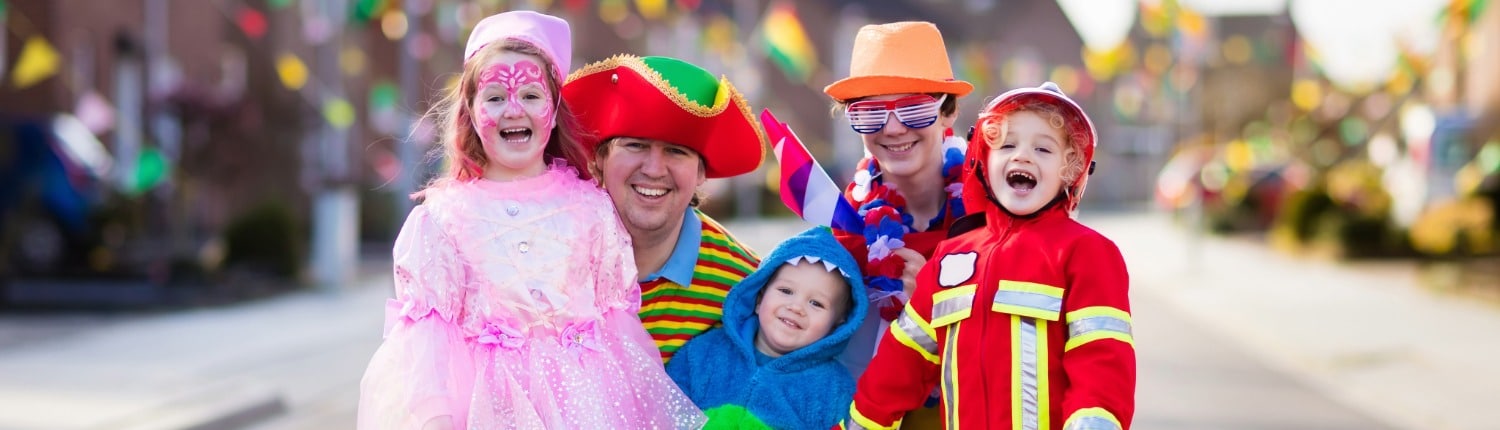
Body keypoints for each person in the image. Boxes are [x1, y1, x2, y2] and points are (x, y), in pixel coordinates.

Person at [357, 12, 703, 429]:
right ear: (470, 111)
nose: (513, 109)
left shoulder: (591, 210)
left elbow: (618, 329)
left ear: (555, 110)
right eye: (496, 97)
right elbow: (426, 350)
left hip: (587, 410)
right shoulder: (442, 220)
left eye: (531, 96)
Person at [840, 82, 1136, 430]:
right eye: (1007, 145)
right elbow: (899, 363)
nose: (1022, 156)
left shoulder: (1086, 252)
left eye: (1043, 149)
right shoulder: (950, 256)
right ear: (984, 161)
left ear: (1069, 171)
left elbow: (1102, 362)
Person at [563, 55, 766, 363]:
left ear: (701, 172)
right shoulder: (550, 256)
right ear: (600, 157)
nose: (655, 169)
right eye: (635, 145)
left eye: (675, 151)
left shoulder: (745, 287)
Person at [822, 21, 975, 379]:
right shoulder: (845, 229)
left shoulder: (995, 211)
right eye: (870, 113)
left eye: (915, 108)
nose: (892, 129)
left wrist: (937, 298)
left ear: (948, 112)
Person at [665, 227, 869, 429]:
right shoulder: (702, 354)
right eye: (786, 290)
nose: (796, 307)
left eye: (816, 303)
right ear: (759, 298)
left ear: (839, 323)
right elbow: (663, 412)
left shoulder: (833, 389)